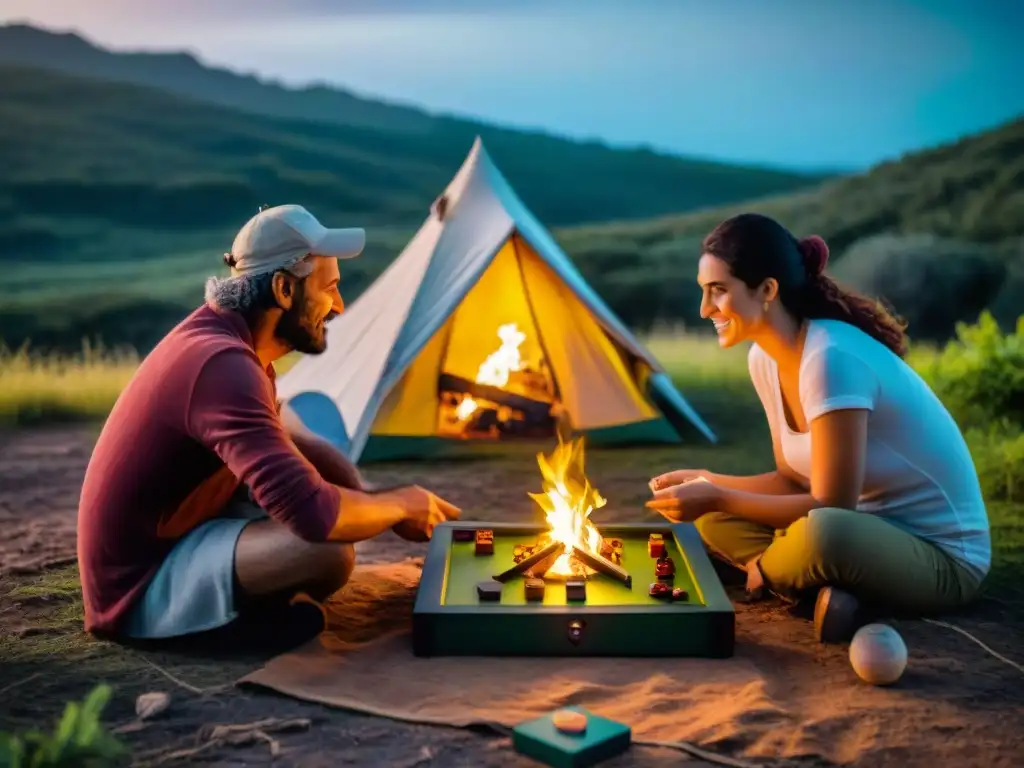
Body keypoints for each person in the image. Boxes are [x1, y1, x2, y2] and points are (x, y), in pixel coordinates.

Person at [77, 204, 460, 649]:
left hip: (183, 533)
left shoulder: (235, 344)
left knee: (331, 515)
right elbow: (314, 516)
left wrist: (370, 497)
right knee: (325, 552)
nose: (338, 307)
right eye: (330, 288)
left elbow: (295, 437)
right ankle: (228, 629)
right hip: (139, 585)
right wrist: (402, 505)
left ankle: (254, 607)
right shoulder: (220, 367)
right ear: (282, 288)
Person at [646, 213, 990, 643]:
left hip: (939, 558)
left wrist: (718, 493)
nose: (705, 309)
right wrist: (707, 484)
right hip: (859, 534)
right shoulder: (765, 360)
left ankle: (770, 575)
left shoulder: (830, 358)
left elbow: (833, 504)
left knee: (824, 533)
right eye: (704, 292)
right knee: (714, 518)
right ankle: (825, 591)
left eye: (718, 291)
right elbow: (791, 480)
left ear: (767, 290)